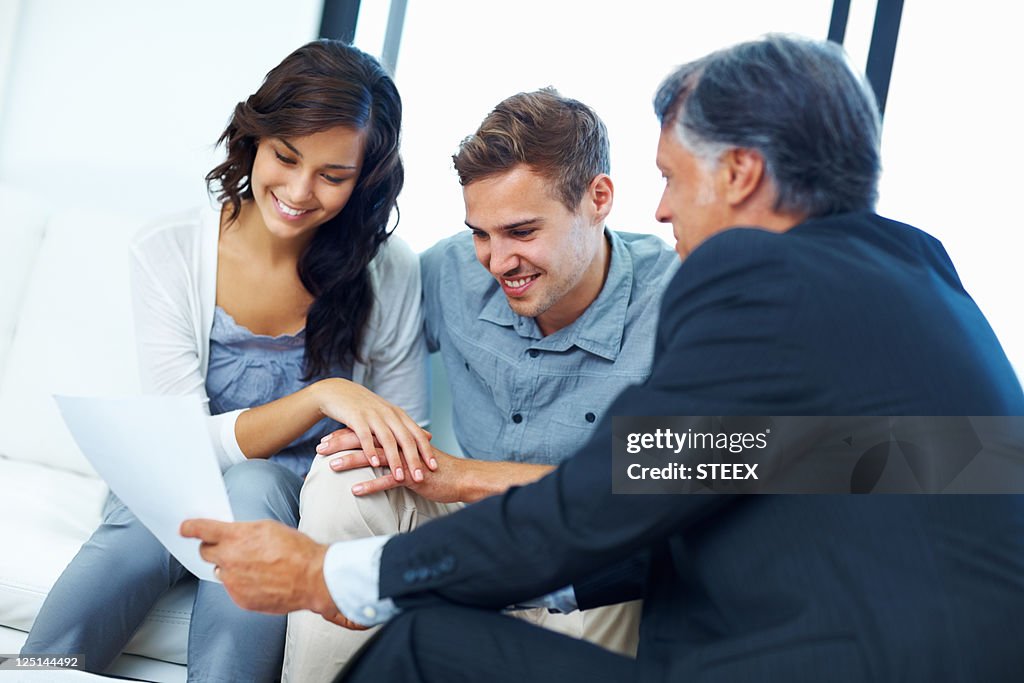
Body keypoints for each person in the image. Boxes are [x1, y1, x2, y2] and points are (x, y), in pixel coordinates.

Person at [183, 34, 1024, 681]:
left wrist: (329, 576)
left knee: (424, 646)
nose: (660, 211)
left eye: (670, 176)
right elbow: (719, 480)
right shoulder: (919, 281)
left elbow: (611, 490)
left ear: (738, 172)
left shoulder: (758, 272)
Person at [22, 40, 432, 681]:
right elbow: (178, 444)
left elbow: (400, 436)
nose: (299, 192)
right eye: (285, 157)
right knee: (141, 512)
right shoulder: (170, 249)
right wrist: (319, 397)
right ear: (254, 140)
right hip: (172, 474)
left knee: (252, 483)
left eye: (333, 175)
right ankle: (37, 674)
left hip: (301, 496)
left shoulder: (390, 269)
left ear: (367, 179)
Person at [282, 88, 678, 680]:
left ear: (598, 199)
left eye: (521, 231)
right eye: (481, 233)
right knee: (351, 471)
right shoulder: (449, 273)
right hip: (476, 540)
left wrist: (463, 475)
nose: (497, 262)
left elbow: (688, 478)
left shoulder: (681, 300)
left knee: (628, 544)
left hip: (591, 564)